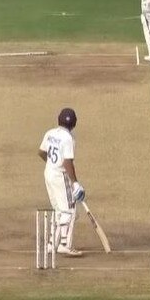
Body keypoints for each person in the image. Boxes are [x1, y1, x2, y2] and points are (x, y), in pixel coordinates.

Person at [38, 108, 85, 256]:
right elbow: (67, 162)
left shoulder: (50, 133)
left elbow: (41, 152)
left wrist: (52, 163)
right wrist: (75, 183)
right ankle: (65, 244)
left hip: (48, 173)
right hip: (60, 176)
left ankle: (52, 243)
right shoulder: (69, 138)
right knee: (69, 211)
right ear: (74, 124)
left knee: (58, 210)